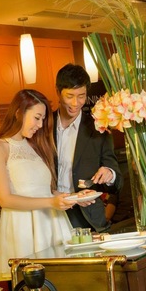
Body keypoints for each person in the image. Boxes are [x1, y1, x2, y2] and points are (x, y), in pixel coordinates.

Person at [0, 89, 74, 281]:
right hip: (23, 228)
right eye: (37, 118)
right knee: (33, 287)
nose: (40, 125)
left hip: (50, 223)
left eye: (42, 119)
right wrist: (51, 203)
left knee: (63, 284)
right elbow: (5, 199)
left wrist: (72, 198)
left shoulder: (34, 145)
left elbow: (43, 190)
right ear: (19, 112)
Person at [53, 64, 122, 232]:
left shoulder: (98, 128)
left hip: (86, 217)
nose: (75, 103)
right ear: (58, 92)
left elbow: (118, 181)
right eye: (70, 96)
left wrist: (109, 173)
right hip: (49, 213)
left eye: (81, 96)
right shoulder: (42, 126)